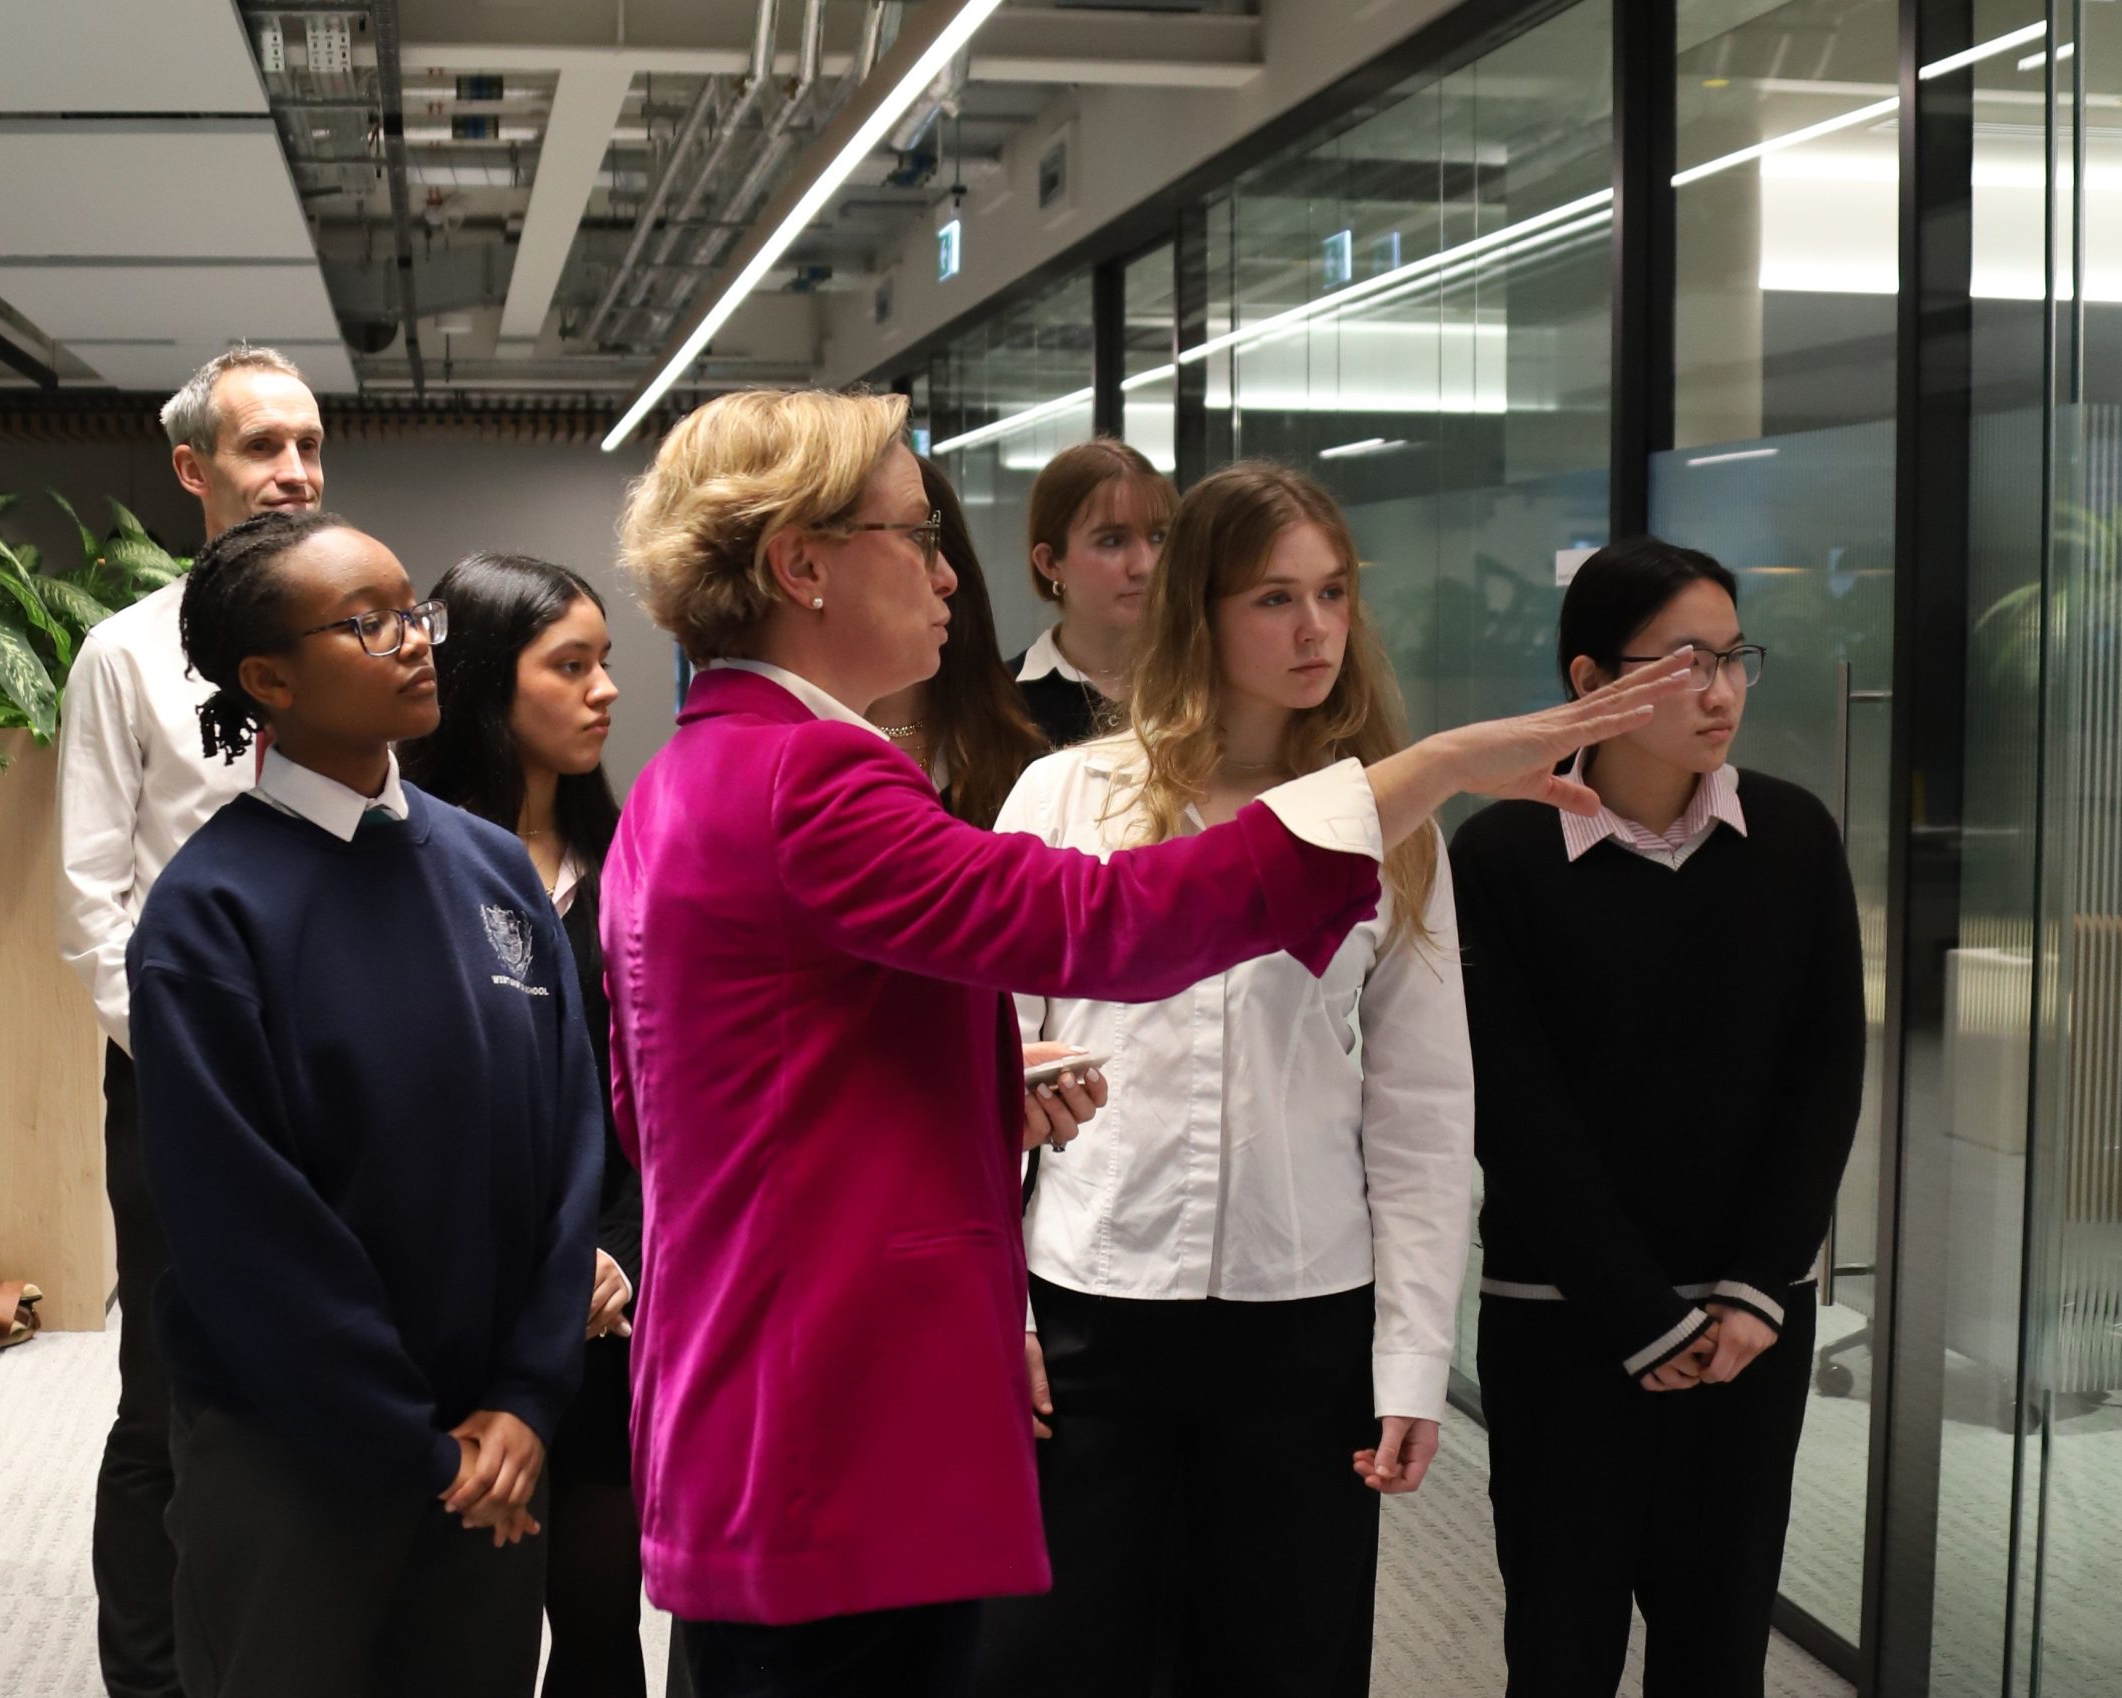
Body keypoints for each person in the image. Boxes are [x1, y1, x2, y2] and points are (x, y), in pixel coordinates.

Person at [599, 387, 1693, 1698]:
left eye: (1331, 593)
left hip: (834, 1391)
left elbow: (709, 1092)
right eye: (916, 533)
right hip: (849, 1406)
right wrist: (1437, 765)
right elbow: (1113, 923)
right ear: (803, 563)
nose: (952, 571)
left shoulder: (702, 770)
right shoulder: (817, 781)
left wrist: (978, 1091)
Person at [977, 461, 1475, 1698]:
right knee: (1061, 1664)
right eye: (1271, 599)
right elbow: (977, 1076)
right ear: (1196, 609)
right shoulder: (1065, 796)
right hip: (1088, 1310)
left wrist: (1412, 1362)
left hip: (1301, 1329)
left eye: (1332, 593)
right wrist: (1004, 1316)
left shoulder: (1386, 821)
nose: (1313, 629)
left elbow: (1421, 1116)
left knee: (1282, 1664)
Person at [127, 509, 603, 1698]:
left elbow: (568, 1139)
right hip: (300, 1454)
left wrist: (527, 1395)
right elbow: (246, 1229)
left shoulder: (489, 868)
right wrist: (417, 1443)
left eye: (414, 611)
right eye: (368, 622)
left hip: (496, 1441)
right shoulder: (210, 911)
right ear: (268, 678)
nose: (414, 641)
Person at [1449, 537, 1864, 1698]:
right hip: (1562, 1324)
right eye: (1686, 662)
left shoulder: (1791, 837)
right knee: (1560, 1645)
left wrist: (1751, 1289)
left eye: (1735, 658)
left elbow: (1824, 1076)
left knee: (1718, 1652)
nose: (1721, 691)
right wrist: (1641, 1315)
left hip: (1746, 1331)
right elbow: (1511, 1111)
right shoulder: (1502, 853)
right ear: (1589, 684)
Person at [53, 343, 327, 1698]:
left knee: (324, 1375)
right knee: (168, 1398)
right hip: (183, 1084)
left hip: (344, 1081)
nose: (291, 471)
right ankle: (150, 1678)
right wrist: (195, 1068)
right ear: (192, 470)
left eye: (308, 445)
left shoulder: (356, 636)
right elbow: (95, 904)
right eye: (259, 446)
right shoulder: (127, 656)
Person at [403, 553, 646, 1698]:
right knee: (459, 1635)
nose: (604, 691)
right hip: (460, 1305)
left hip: (607, 1307)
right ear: (489, 682)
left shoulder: (634, 865)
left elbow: (672, 1094)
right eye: (571, 666)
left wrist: (617, 1251)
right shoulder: (406, 862)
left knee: (600, 1628)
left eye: (606, 664)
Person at [865, 457, 1046, 827]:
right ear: (805, 569)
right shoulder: (789, 753)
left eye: (929, 538)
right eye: (912, 537)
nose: (945, 578)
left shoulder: (1009, 736)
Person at [1005, 438, 1175, 748]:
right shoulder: (1000, 701)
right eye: (1112, 541)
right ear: (1050, 563)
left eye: (1158, 536)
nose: (1146, 565)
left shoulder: (1205, 686)